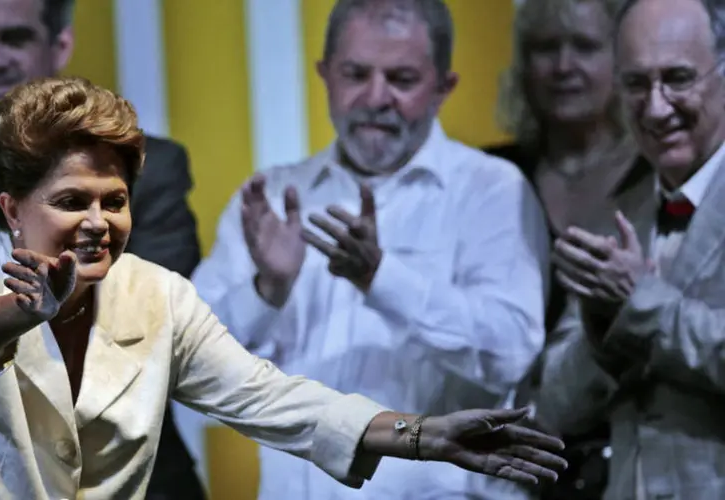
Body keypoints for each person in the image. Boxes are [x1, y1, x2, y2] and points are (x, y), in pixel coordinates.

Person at [0, 75, 567, 499]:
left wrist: (426, 434)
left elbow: (270, 398)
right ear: (12, 208)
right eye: (72, 202)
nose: (100, 222)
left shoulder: (157, 295)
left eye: (116, 201)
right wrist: (16, 317)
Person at [192, 0, 551, 498]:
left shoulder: (491, 191)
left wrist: (381, 277)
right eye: (356, 74)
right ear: (325, 75)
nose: (376, 97)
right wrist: (267, 289)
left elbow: (512, 352)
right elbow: (189, 364)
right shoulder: (272, 198)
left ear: (444, 87)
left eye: (401, 78)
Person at [0, 1, 204, 496]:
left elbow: (145, 318)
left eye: (13, 38)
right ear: (10, 208)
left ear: (59, 45)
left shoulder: (151, 167)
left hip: (133, 471)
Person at [545, 0, 725, 498]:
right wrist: (599, 329)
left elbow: (643, 306)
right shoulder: (615, 214)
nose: (655, 106)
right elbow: (556, 408)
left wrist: (640, 304)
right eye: (636, 83)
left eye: (678, 78)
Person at [484, 0, 648, 498]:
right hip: (503, 466)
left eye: (584, 46)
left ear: (621, 59)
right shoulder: (491, 178)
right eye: (545, 48)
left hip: (631, 461)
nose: (563, 66)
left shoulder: (661, 172)